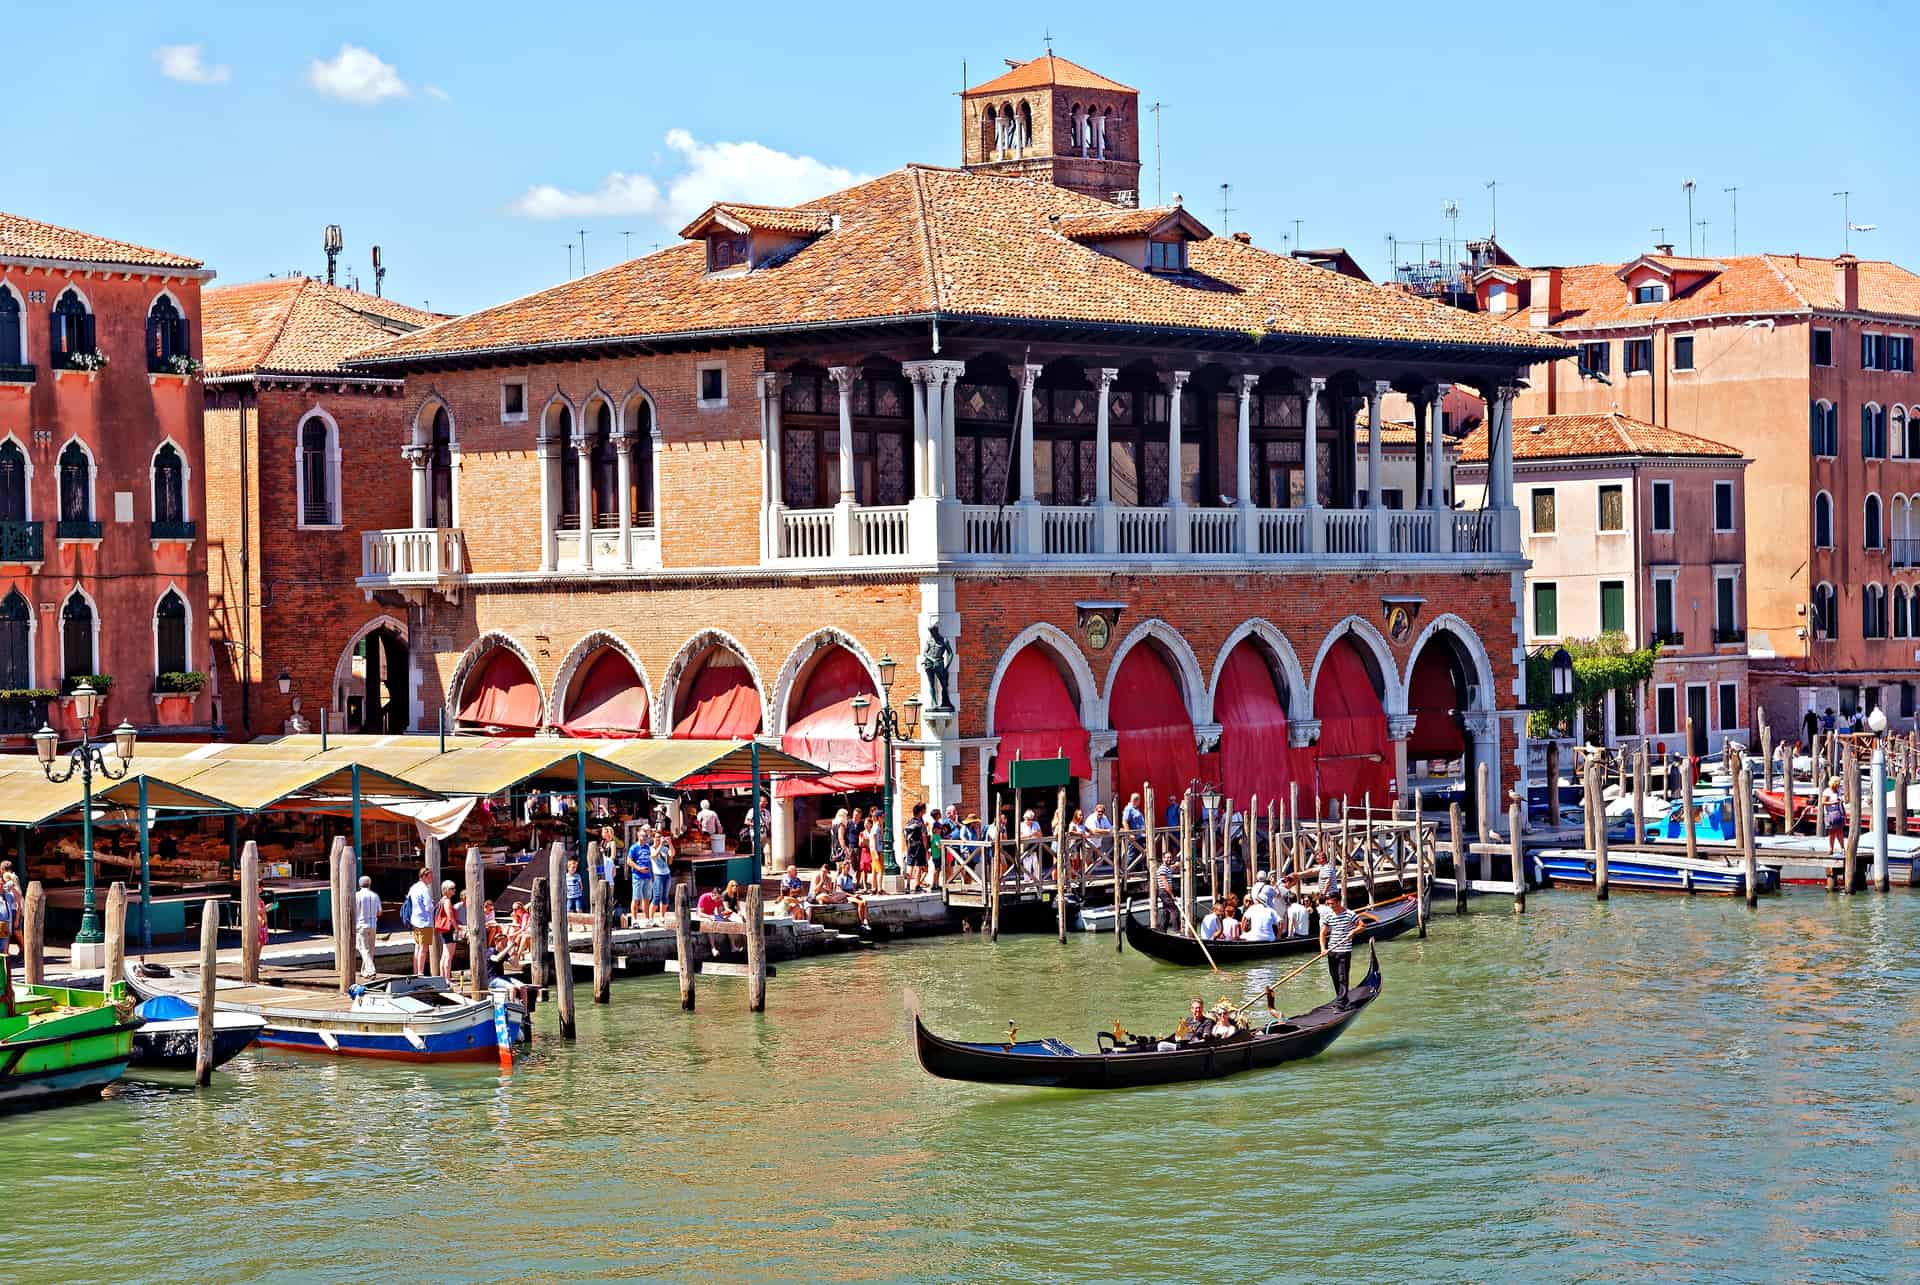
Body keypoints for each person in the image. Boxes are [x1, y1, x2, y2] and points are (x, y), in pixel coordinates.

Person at [1319, 891, 1360, 1007]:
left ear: (1338, 901)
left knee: (1342, 976)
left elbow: (1362, 926)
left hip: (1344, 951)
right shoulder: (1329, 916)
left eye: (1332, 903)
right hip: (1332, 951)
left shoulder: (1350, 914)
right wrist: (1323, 948)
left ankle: (1341, 1002)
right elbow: (1322, 934)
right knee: (1334, 976)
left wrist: (1353, 931)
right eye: (1329, 904)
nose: (1331, 906)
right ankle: (1342, 998)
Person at [403, 866, 436, 975]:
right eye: (430, 877)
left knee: (417, 947)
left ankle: (416, 971)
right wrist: (433, 904)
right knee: (424, 949)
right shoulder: (424, 889)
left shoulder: (414, 887)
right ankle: (420, 972)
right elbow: (428, 907)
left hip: (415, 920)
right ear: (424, 877)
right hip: (424, 922)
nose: (431, 879)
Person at [353, 874, 381, 979]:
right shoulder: (375, 895)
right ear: (370, 884)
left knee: (363, 949)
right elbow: (379, 912)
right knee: (370, 950)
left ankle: (371, 970)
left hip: (361, 925)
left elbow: (354, 910)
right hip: (373, 925)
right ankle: (365, 972)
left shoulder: (356, 896)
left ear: (359, 884)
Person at [626, 831, 656, 925]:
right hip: (637, 876)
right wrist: (639, 868)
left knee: (646, 898)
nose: (645, 837)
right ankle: (634, 920)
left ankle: (647, 919)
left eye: (646, 836)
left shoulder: (647, 847)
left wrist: (652, 875)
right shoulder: (634, 848)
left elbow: (650, 861)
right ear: (638, 836)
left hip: (647, 876)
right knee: (636, 898)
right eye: (643, 835)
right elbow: (629, 861)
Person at [433, 880, 459, 982]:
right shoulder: (447, 901)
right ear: (447, 890)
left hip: (443, 930)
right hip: (449, 929)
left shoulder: (441, 900)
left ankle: (443, 977)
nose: (454, 890)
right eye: (452, 888)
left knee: (445, 954)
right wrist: (456, 928)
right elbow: (450, 916)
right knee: (449, 955)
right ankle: (447, 978)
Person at [904, 802, 930, 892]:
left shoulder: (909, 822)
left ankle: (907, 886)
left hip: (910, 846)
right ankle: (917, 886)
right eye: (924, 809)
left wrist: (907, 846)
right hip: (919, 846)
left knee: (910, 866)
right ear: (920, 811)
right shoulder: (920, 823)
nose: (925, 810)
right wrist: (926, 848)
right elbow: (924, 837)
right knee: (918, 866)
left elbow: (905, 835)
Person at [1822, 775, 1847, 854]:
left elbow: (1841, 803)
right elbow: (1823, 802)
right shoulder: (1827, 791)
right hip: (1830, 814)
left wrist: (1844, 813)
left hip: (1838, 813)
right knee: (1832, 832)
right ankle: (1831, 849)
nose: (1838, 785)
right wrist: (1834, 802)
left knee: (1840, 831)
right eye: (1838, 784)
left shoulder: (1838, 791)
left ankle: (1842, 848)